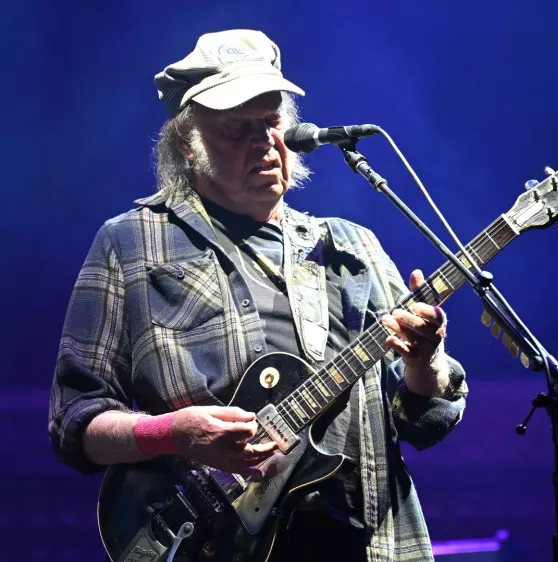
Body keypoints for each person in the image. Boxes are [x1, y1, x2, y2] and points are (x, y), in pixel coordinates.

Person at [47, 29, 469, 562]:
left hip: (367, 543)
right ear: (187, 144)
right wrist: (173, 433)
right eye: (236, 129)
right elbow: (76, 423)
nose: (266, 142)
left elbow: (421, 421)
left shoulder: (351, 247)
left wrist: (426, 360)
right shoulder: (131, 243)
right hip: (205, 539)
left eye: (271, 122)